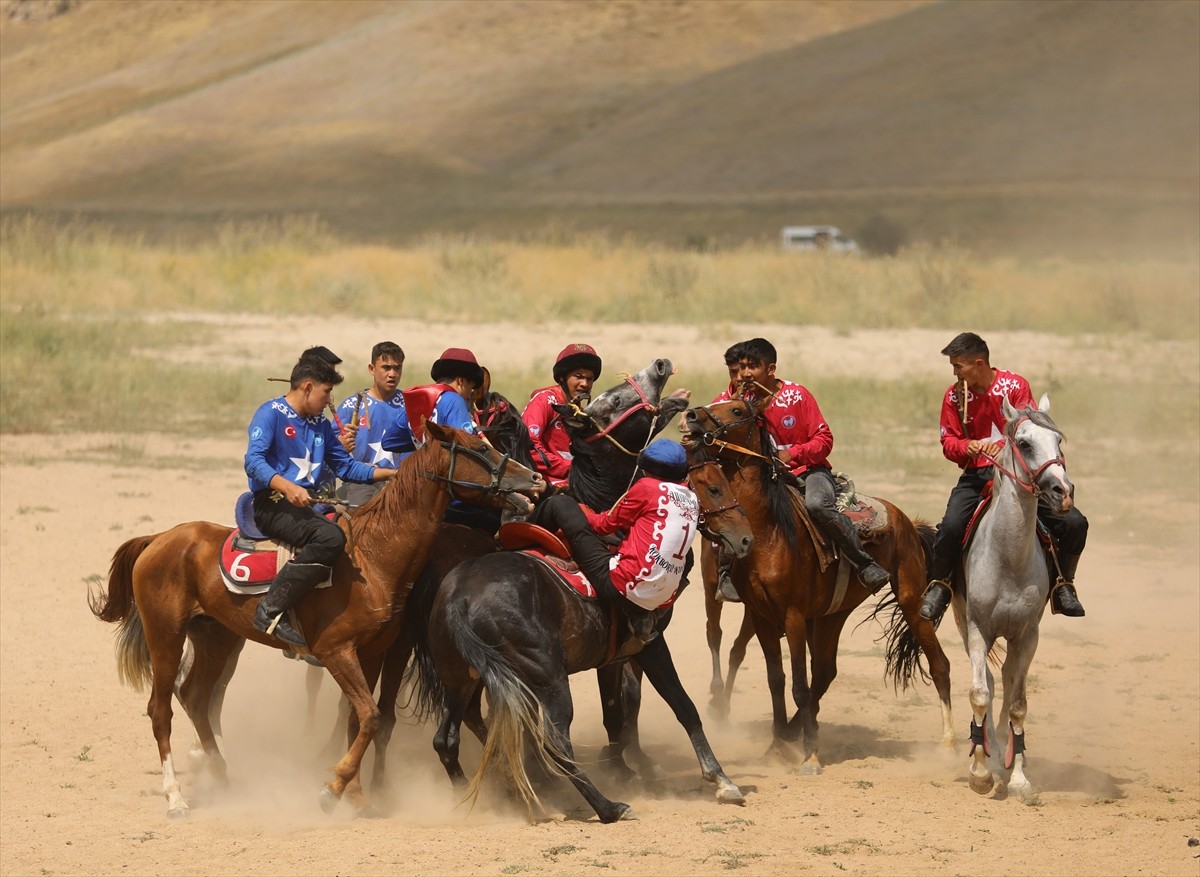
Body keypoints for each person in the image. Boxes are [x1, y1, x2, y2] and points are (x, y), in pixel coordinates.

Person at [919, 332, 1087, 622]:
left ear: (979, 363)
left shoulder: (1015, 386)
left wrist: (998, 449)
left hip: (1020, 477)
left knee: (1074, 523)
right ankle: (941, 585)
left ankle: (1064, 585)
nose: (955, 373)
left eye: (959, 366)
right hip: (976, 475)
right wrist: (966, 446)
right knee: (950, 526)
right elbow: (948, 442)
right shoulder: (954, 396)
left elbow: (1031, 432)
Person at [715, 337, 891, 602]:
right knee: (733, 509)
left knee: (818, 505)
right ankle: (725, 573)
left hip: (808, 471)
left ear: (770, 369)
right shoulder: (742, 400)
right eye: (742, 367)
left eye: (752, 367)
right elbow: (716, 411)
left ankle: (864, 564)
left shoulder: (797, 395)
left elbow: (824, 439)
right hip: (766, 476)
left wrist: (792, 453)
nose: (746, 373)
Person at [245, 348, 397, 650]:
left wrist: (392, 475)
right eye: (326, 393)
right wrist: (288, 487)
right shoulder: (270, 413)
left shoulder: (321, 426)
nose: (330, 401)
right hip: (272, 503)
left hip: (309, 505)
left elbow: (347, 467)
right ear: (308, 387)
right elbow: (253, 461)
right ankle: (269, 610)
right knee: (330, 538)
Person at [531, 438, 699, 656]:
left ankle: (517, 530)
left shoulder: (646, 487)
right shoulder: (692, 498)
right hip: (662, 598)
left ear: (646, 468)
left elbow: (604, 525)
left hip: (620, 585)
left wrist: (579, 510)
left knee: (560, 505)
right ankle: (646, 617)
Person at [336, 341, 412, 506]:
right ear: (372, 369)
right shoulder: (351, 406)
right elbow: (329, 450)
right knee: (357, 524)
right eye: (386, 367)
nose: (392, 374)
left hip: (403, 482)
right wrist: (340, 445)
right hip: (362, 482)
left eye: (397, 368)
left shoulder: (410, 405)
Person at [521, 343, 602, 488]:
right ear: (563, 378)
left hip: (574, 481)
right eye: (578, 377)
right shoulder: (545, 400)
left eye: (589, 379)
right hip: (544, 483)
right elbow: (528, 445)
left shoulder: (580, 412)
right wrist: (572, 468)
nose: (585, 384)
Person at [401, 347, 484, 442]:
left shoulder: (415, 402)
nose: (469, 396)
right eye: (470, 388)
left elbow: (389, 441)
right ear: (461, 381)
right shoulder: (455, 400)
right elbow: (467, 446)